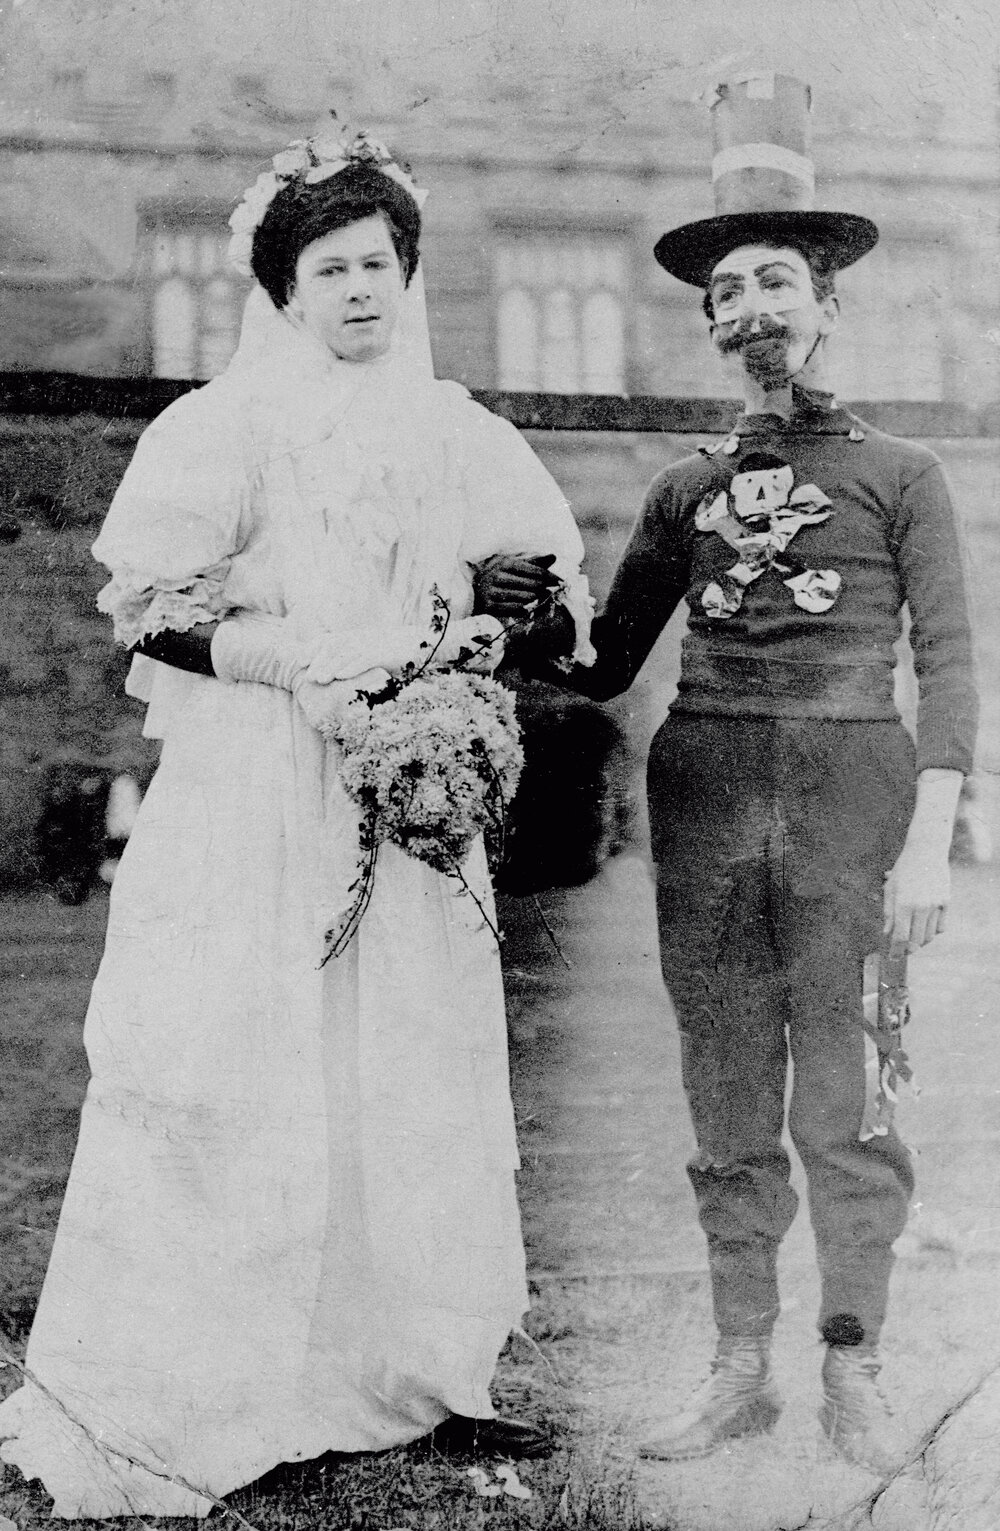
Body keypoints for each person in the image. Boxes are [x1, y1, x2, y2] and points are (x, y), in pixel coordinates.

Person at [0, 126, 593, 1517]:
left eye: (379, 264)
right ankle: (223, 1381)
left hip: (404, 796)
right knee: (245, 1055)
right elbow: (156, 613)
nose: (361, 291)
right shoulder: (221, 430)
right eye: (329, 270)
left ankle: (412, 1370)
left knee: (408, 1059)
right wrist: (295, 670)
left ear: (408, 273)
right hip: (256, 788)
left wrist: (507, 626)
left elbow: (542, 605)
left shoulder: (463, 435)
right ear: (287, 292)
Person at [505, 74, 978, 1474]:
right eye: (725, 291)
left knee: (850, 1092)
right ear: (709, 325)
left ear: (830, 300)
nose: (751, 307)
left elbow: (950, 668)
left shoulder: (906, 473)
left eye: (775, 279)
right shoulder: (680, 485)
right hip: (706, 785)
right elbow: (601, 666)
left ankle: (859, 1370)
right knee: (724, 1092)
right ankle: (733, 1371)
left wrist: (926, 843)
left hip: (855, 785)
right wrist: (528, 618)